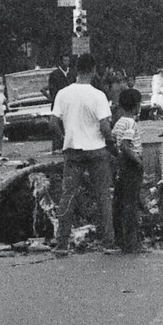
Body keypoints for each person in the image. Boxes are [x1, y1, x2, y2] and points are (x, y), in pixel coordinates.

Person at [47, 54, 115, 255]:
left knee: (68, 195)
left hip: (72, 151)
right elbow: (104, 125)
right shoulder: (98, 95)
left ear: (76, 69)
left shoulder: (63, 93)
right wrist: (111, 144)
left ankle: (61, 243)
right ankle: (108, 241)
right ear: (93, 70)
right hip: (96, 151)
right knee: (102, 195)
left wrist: (64, 137)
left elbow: (52, 123)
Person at [109, 85, 146, 253]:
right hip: (131, 165)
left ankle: (120, 239)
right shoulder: (131, 123)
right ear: (137, 105)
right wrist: (138, 160)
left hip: (122, 164)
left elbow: (113, 142)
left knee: (120, 201)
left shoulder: (119, 122)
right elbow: (125, 145)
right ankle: (132, 242)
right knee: (131, 203)